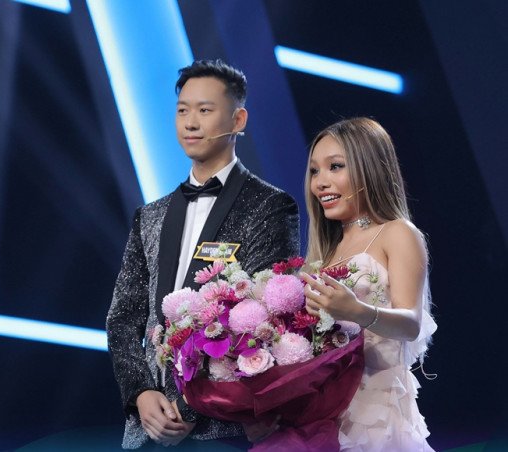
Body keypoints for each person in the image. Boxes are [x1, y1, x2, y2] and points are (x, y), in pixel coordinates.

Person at [106, 59, 299, 449]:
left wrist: (190, 408)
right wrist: (140, 392)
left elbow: (264, 317)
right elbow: (122, 318)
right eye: (183, 111)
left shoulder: (270, 206)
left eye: (205, 110)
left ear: (238, 119)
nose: (190, 123)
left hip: (224, 429)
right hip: (149, 427)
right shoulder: (150, 215)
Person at [300, 117, 436, 451]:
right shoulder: (325, 250)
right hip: (326, 413)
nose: (320, 182)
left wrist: (357, 311)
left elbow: (411, 324)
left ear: (369, 168)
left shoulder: (396, 232)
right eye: (315, 171)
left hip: (377, 415)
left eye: (335, 166)